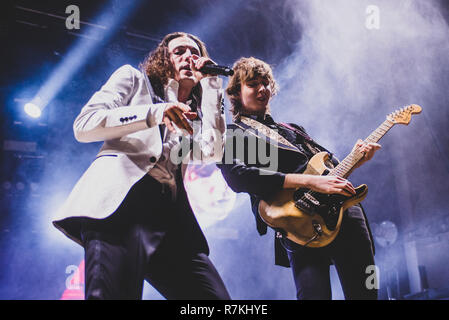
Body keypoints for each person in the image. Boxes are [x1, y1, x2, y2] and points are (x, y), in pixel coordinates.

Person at [53, 32, 230, 300]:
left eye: (195, 53)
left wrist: (213, 88)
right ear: (163, 59)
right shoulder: (134, 80)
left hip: (171, 222)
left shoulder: (192, 112)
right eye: (179, 51)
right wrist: (155, 113)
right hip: (121, 211)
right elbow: (85, 124)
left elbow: (212, 151)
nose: (189, 58)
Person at [217, 57, 381, 300]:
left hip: (343, 211)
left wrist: (359, 159)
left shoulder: (292, 128)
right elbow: (238, 178)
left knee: (366, 292)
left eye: (265, 83)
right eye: (253, 84)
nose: (262, 89)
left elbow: (328, 170)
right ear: (236, 93)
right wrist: (308, 182)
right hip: (297, 223)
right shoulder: (233, 134)